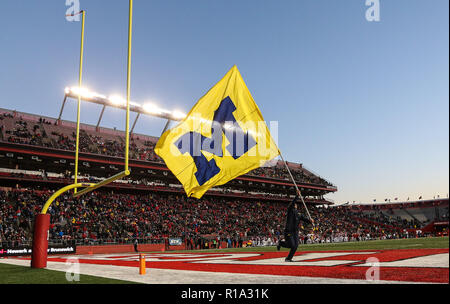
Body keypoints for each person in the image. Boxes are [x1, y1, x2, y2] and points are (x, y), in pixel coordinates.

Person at [277, 195, 314, 262]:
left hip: (295, 231)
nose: (295, 205)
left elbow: (304, 219)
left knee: (295, 246)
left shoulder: (299, 214)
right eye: (294, 204)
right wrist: (297, 196)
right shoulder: (290, 210)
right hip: (289, 231)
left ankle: (288, 258)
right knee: (291, 245)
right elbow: (293, 203)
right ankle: (281, 243)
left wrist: (310, 221)